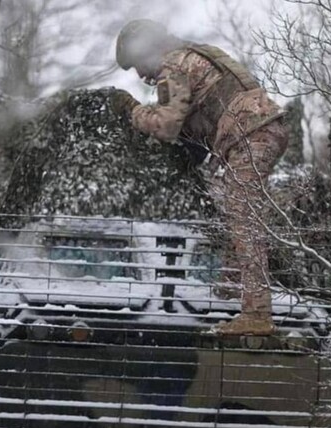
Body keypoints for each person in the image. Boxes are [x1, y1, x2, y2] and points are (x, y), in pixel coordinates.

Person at [111, 19, 288, 335]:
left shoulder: (174, 64)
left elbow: (166, 126)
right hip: (256, 131)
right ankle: (231, 289)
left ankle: (257, 315)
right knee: (234, 213)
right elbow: (199, 123)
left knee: (243, 218)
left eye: (137, 63)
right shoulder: (194, 55)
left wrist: (132, 110)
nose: (140, 74)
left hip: (250, 134)